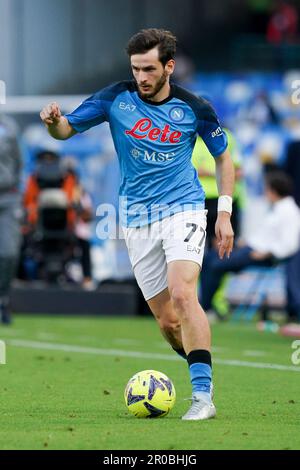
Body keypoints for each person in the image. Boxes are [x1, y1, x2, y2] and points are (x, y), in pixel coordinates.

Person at [40, 28, 235, 421]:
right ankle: (200, 361)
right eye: (136, 69)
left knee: (183, 294)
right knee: (167, 321)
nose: (142, 77)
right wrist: (52, 122)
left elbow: (224, 158)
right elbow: (65, 131)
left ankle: (202, 395)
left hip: (184, 208)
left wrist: (225, 213)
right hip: (136, 219)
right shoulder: (116, 97)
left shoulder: (195, 107)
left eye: (149, 69)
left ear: (169, 66)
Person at [200, 171, 300, 313]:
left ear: (273, 191)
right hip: (251, 249)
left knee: (215, 264)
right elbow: (265, 236)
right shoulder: (278, 208)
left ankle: (206, 307)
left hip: (261, 255)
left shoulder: (290, 211)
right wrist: (244, 242)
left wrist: (267, 253)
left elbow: (290, 244)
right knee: (210, 257)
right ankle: (205, 305)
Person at [0, 114, 22, 324]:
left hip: (7, 197)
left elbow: (18, 161)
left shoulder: (8, 125)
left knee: (8, 252)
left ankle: (3, 299)